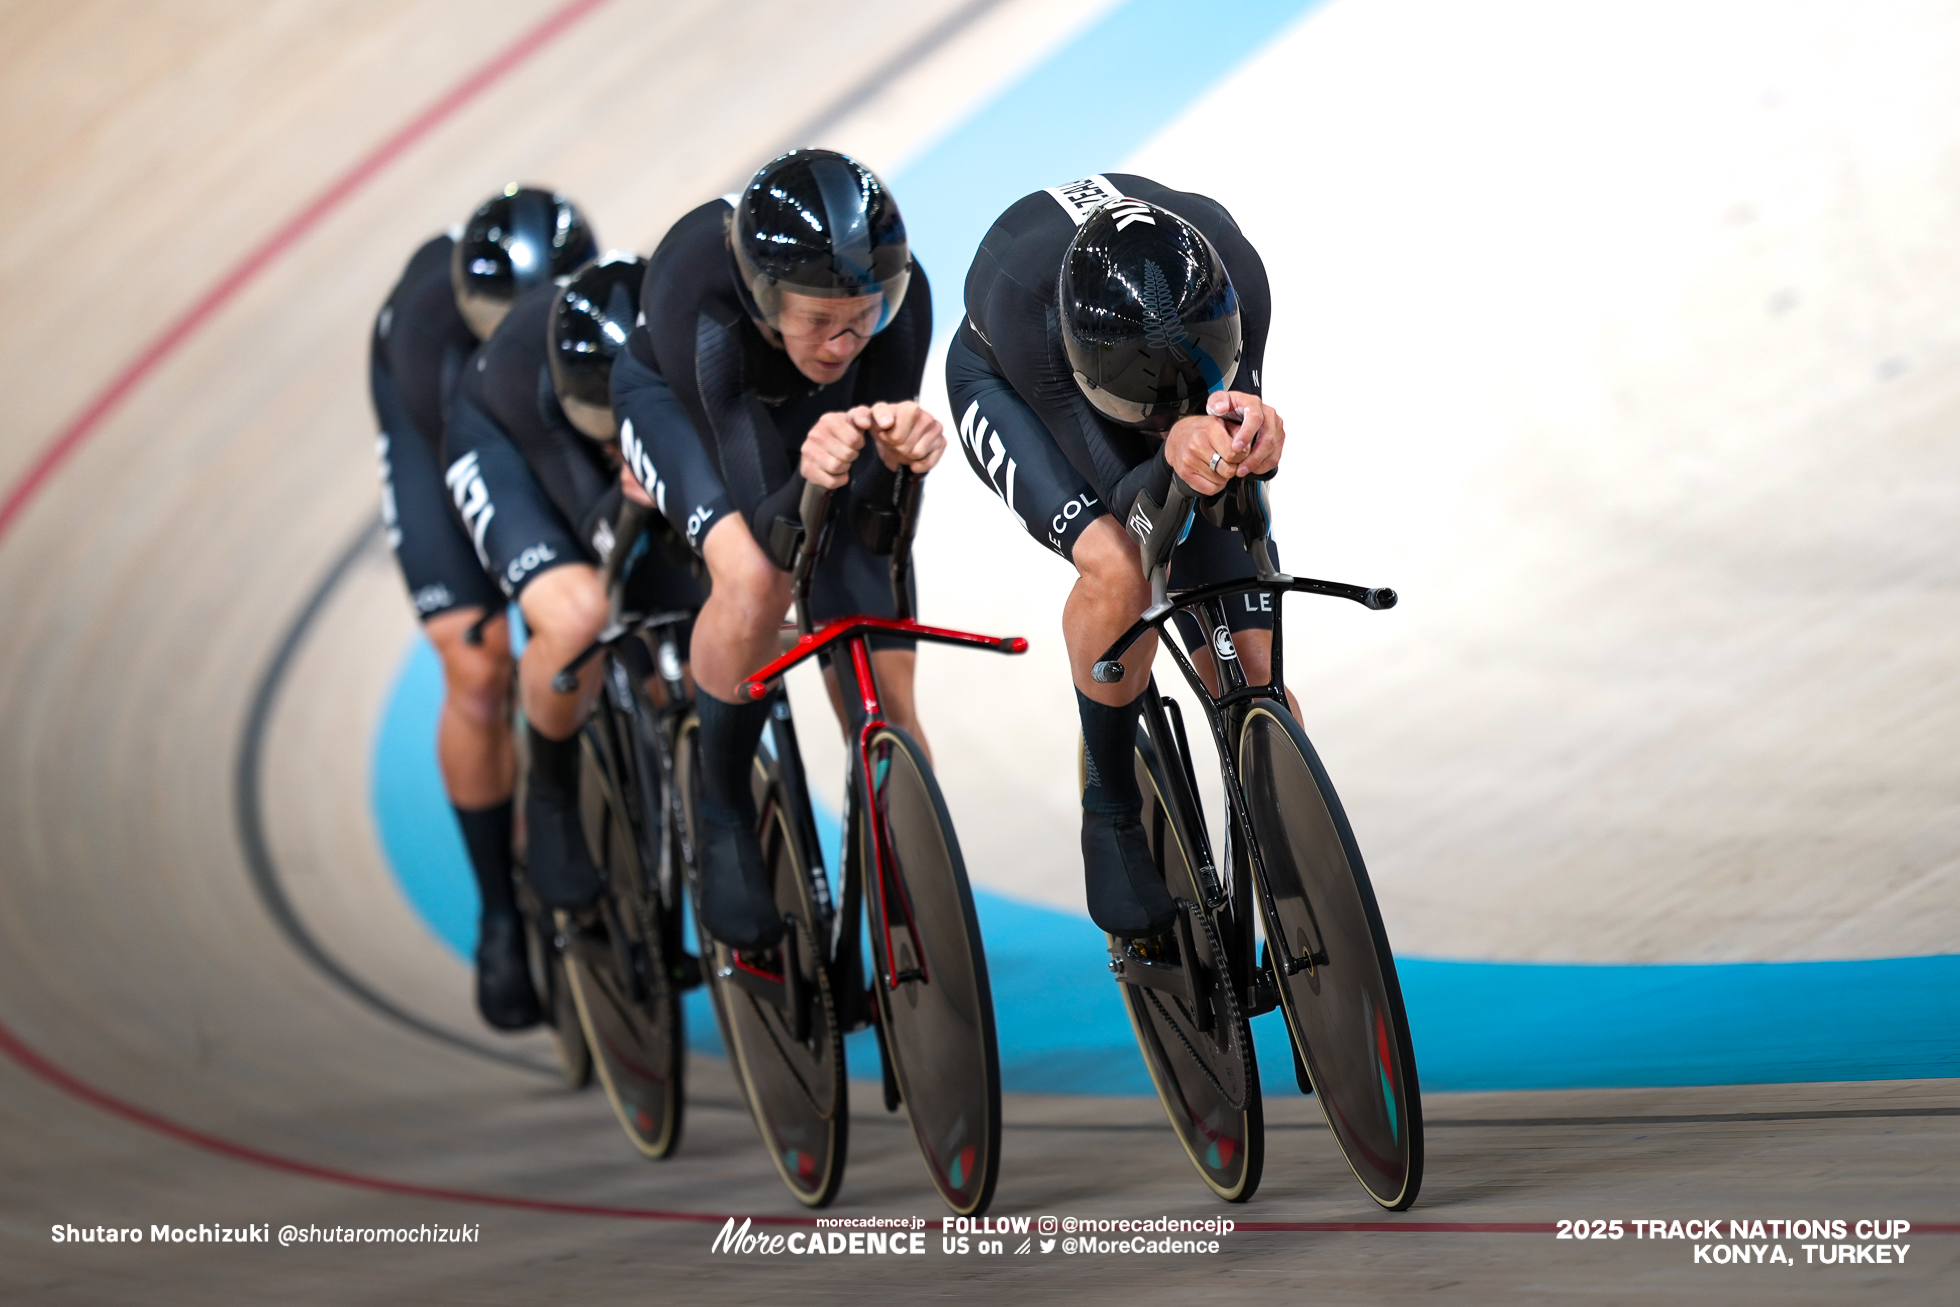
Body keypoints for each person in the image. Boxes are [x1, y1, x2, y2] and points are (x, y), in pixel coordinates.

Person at [612, 149, 945, 954]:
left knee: (879, 672)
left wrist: (900, 465)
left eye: (862, 316)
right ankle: (722, 806)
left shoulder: (905, 305)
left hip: (814, 426)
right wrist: (814, 469)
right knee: (756, 582)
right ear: (765, 300)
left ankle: (924, 917)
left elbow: (879, 534)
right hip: (684, 412)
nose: (842, 342)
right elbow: (772, 531)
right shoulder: (701, 293)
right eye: (817, 320)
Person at [946, 173, 1285, 942]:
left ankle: (1295, 874)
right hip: (1015, 391)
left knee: (1258, 669)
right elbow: (1131, 498)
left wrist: (1255, 438)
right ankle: (1110, 807)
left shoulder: (1238, 274)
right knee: (1120, 569)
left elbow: (1242, 435)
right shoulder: (1025, 317)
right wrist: (1169, 446)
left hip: (1155, 359)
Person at [369, 184, 595, 1028]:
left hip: (548, 404)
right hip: (442, 436)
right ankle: (500, 914)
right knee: (477, 661)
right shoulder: (429, 333)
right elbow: (484, 493)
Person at [443, 254, 706, 917]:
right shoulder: (528, 383)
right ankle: (552, 794)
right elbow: (602, 535)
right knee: (580, 615)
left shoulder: (689, 339)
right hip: (509, 445)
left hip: (626, 419)